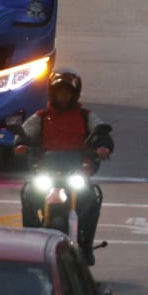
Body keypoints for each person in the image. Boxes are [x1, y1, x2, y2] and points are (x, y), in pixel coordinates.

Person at [15, 70, 114, 264]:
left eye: (67, 92)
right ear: (52, 92)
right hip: (46, 171)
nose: (64, 96)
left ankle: (85, 246)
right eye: (60, 91)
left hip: (76, 171)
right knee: (28, 195)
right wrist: (21, 145)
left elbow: (101, 132)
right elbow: (25, 133)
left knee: (92, 198)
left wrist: (104, 147)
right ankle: (29, 242)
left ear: (74, 94)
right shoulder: (41, 117)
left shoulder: (86, 116)